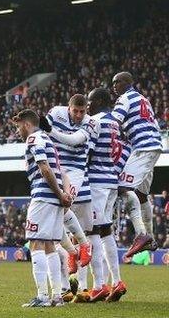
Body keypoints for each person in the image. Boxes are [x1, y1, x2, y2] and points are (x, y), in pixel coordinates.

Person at [47, 88, 126, 302]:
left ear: (97, 101)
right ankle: (108, 282)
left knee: (89, 233)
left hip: (94, 182)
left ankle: (93, 285)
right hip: (111, 180)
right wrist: (117, 172)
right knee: (104, 231)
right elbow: (125, 149)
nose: (86, 109)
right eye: (81, 108)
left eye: (89, 103)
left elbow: (84, 150)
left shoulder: (95, 121)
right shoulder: (116, 122)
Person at [14, 110, 72, 308]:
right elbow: (59, 170)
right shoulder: (47, 140)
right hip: (54, 200)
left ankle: (42, 296)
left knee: (35, 242)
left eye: (18, 125)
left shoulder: (33, 138)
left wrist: (59, 194)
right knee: (49, 245)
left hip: (44, 196)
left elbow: (45, 168)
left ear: (27, 124)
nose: (17, 130)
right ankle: (57, 296)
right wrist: (63, 194)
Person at [111, 72, 163, 257]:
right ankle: (150, 237)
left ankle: (142, 235)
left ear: (128, 82)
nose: (114, 86)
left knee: (124, 188)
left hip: (142, 148)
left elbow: (113, 124)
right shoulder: (143, 99)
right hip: (155, 146)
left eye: (117, 82)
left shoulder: (124, 99)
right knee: (141, 195)